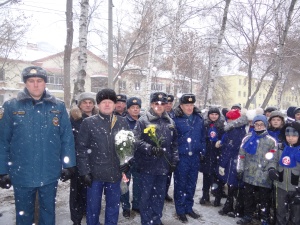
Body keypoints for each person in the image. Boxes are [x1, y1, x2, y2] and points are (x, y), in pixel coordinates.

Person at [0, 66, 76, 225]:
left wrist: (69, 165)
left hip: (49, 171)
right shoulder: (12, 106)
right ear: (25, 83)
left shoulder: (58, 107)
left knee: (48, 213)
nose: (36, 85)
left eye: (39, 81)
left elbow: (66, 138)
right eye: (31, 81)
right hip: (22, 172)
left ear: (45, 83)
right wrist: (2, 170)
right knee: (23, 214)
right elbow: (3, 140)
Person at [76, 88, 130, 225]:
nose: (107, 105)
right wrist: (84, 172)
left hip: (115, 174)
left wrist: (126, 161)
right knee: (93, 208)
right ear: (98, 105)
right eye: (103, 102)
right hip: (95, 175)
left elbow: (128, 146)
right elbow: (81, 149)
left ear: (114, 104)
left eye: (110, 102)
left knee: (113, 207)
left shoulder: (122, 122)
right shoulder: (89, 123)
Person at [133, 92, 179, 225]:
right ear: (151, 104)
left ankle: (156, 220)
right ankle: (146, 221)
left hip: (163, 166)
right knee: (146, 197)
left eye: (162, 103)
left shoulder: (170, 121)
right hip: (147, 166)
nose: (159, 106)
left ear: (166, 105)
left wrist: (174, 160)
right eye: (156, 103)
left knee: (159, 197)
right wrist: (150, 148)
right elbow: (135, 140)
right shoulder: (143, 120)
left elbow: (175, 143)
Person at [236, 115, 277, 225]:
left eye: (261, 124)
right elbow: (241, 155)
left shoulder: (271, 141)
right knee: (248, 197)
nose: (259, 127)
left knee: (264, 199)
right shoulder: (247, 138)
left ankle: (265, 218)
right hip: (249, 173)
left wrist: (271, 169)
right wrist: (239, 169)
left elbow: (273, 158)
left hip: (263, 175)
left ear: (265, 125)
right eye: (256, 124)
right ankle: (248, 215)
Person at [173, 94, 206, 223]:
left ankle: (189, 207)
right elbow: (173, 139)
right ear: (181, 106)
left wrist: (203, 149)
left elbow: (203, 136)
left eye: (192, 105)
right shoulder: (175, 118)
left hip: (195, 157)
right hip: (182, 157)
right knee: (180, 183)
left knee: (192, 183)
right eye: (187, 105)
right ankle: (180, 210)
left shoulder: (198, 118)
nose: (189, 107)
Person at [69, 92, 98, 225]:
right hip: (77, 161)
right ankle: (76, 220)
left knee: (91, 192)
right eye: (85, 102)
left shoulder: (98, 119)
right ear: (79, 105)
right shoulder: (74, 120)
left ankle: (90, 217)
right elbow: (70, 142)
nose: (88, 105)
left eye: (90, 102)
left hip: (94, 162)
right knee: (76, 193)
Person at [269, 122, 300, 225]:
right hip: (280, 186)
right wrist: (272, 169)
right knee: (280, 211)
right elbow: (273, 160)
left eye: (294, 136)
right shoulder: (280, 147)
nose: (290, 138)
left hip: (296, 188)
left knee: (296, 214)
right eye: (288, 135)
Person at [217, 109, 246, 218]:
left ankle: (233, 207)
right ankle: (233, 207)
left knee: (233, 185)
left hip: (233, 162)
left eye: (230, 118)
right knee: (234, 185)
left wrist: (222, 163)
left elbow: (229, 149)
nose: (227, 120)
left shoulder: (234, 131)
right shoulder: (239, 129)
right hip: (236, 161)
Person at [121, 97, 142, 218]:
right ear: (128, 109)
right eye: (132, 107)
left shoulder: (143, 121)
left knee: (138, 183)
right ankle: (125, 207)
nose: (135, 109)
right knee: (125, 184)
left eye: (137, 107)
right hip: (126, 159)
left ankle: (137, 205)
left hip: (140, 158)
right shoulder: (122, 121)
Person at [199, 107, 225, 207]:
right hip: (207, 153)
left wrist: (220, 143)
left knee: (217, 177)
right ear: (208, 115)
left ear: (218, 116)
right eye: (212, 114)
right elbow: (202, 137)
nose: (214, 116)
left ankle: (217, 196)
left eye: (216, 114)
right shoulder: (205, 125)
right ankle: (205, 195)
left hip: (217, 153)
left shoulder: (221, 126)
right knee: (206, 176)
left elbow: (224, 138)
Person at [164, 94, 175, 202]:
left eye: (170, 103)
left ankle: (165, 192)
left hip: (171, 149)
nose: (168, 105)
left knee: (168, 174)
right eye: (166, 103)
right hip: (161, 148)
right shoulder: (160, 114)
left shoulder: (175, 115)